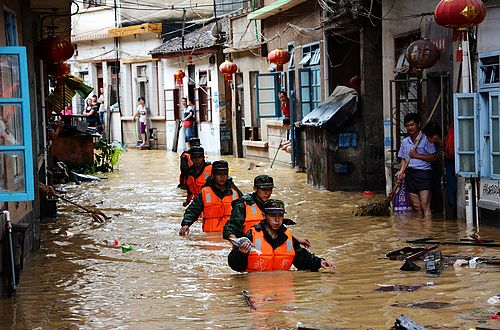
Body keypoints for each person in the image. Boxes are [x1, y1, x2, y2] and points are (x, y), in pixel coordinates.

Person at [228, 199, 336, 272]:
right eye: (273, 216)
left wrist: (319, 262)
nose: (277, 220)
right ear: (264, 216)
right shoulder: (252, 235)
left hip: (281, 289)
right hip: (256, 287)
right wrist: (240, 254)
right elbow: (235, 265)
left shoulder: (288, 237)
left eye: (280, 216)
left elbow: (302, 259)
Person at [223, 175, 311, 248]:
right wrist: (238, 242)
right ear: (255, 188)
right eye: (264, 190)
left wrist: (296, 239)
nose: (268, 193)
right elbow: (230, 229)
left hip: (266, 246)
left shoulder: (271, 206)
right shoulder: (242, 205)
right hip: (247, 249)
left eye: (270, 189)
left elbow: (279, 230)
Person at [179, 160, 243, 235]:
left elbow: (245, 211)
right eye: (219, 174)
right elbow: (193, 210)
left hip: (230, 237)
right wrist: (186, 224)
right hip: (210, 237)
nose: (222, 177)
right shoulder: (205, 192)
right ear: (213, 175)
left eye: (225, 174)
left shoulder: (235, 192)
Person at [396, 113, 437, 219]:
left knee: (424, 205)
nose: (410, 128)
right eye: (407, 125)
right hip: (410, 175)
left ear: (418, 124)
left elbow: (433, 157)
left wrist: (417, 155)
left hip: (424, 174)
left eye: (412, 125)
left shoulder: (426, 139)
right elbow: (403, 159)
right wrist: (401, 171)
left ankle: (428, 231)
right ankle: (419, 232)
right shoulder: (405, 142)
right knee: (416, 207)